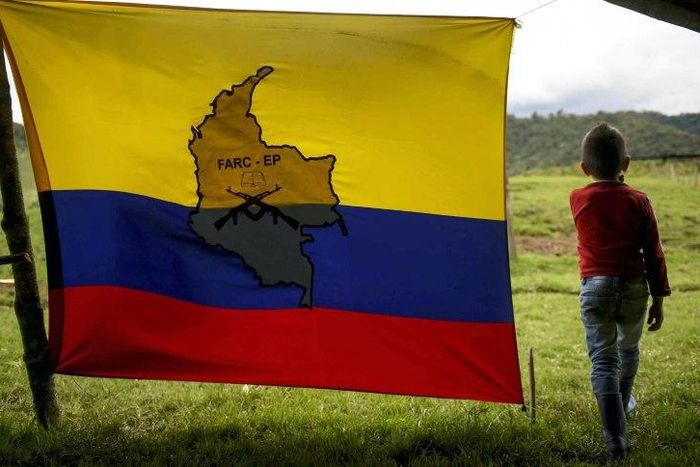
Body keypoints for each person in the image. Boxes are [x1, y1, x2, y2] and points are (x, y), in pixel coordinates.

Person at [570, 123, 670, 459]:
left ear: (585, 169)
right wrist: (659, 299)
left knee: (603, 359)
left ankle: (615, 438)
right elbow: (653, 252)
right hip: (634, 287)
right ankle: (624, 403)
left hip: (595, 286)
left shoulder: (577, 198)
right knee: (628, 350)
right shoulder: (640, 201)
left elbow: (604, 203)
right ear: (626, 163)